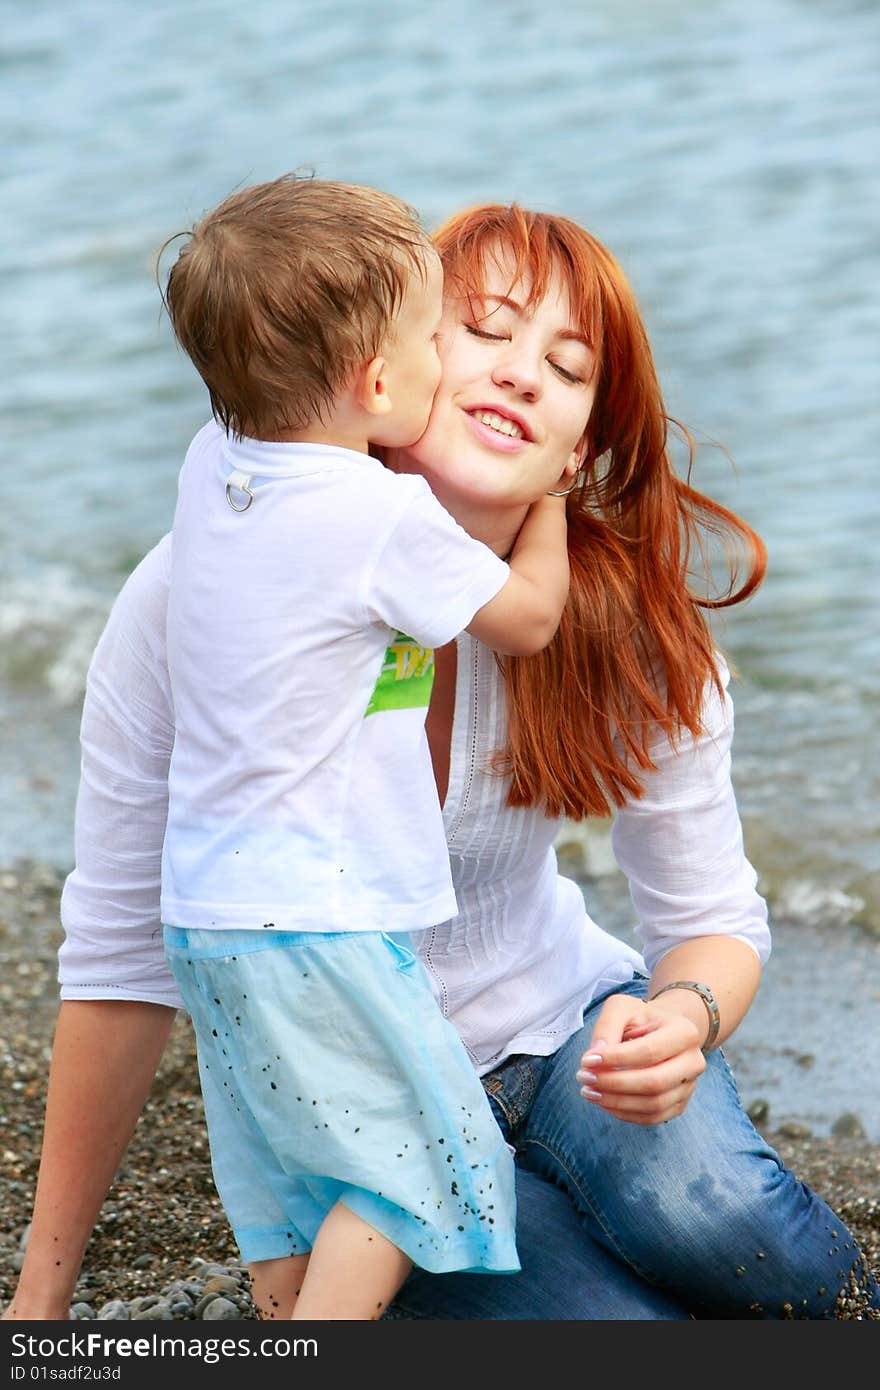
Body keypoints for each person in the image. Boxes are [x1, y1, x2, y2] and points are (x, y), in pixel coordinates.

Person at [5, 199, 878, 1322]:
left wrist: (687, 1016)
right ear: (384, 361)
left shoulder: (620, 625)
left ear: (583, 449)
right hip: (366, 1100)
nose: (521, 375)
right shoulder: (201, 591)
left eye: (566, 368)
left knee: (735, 1233)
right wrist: (39, 1304)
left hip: (565, 1028)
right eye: (484, 328)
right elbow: (123, 953)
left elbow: (710, 915)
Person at [146, 174, 581, 1319]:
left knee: (291, 1177)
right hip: (318, 914)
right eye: (438, 341)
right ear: (380, 383)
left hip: (204, 906)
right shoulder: (380, 520)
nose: (454, 364)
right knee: (419, 1171)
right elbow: (530, 623)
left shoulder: (210, 464)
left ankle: (282, 1322)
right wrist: (550, 500)